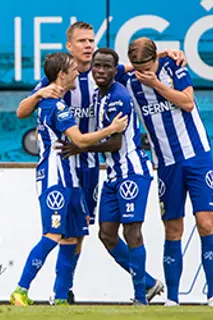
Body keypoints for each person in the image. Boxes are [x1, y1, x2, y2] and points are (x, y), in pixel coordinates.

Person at [17, 21, 178, 303]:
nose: (89, 45)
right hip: (66, 160)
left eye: (91, 40)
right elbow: (21, 111)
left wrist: (166, 55)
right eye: (82, 41)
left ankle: (69, 291)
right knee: (67, 231)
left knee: (80, 233)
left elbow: (135, 67)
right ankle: (62, 292)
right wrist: (39, 95)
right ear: (69, 46)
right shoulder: (57, 79)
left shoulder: (102, 73)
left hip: (90, 162)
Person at [10, 52, 128, 306]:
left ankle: (61, 296)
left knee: (73, 236)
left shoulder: (54, 99)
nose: (78, 72)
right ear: (62, 75)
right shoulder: (56, 105)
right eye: (73, 69)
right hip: (55, 178)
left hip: (71, 178)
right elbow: (81, 140)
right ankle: (20, 289)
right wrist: (112, 129)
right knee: (53, 234)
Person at [122, 37, 213, 307]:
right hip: (166, 162)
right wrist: (136, 72)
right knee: (173, 229)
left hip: (197, 155)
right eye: (138, 68)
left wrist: (157, 83)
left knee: (205, 223)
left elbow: (188, 102)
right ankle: (173, 299)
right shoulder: (131, 83)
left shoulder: (172, 67)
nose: (144, 73)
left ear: (156, 59)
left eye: (147, 67)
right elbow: (106, 70)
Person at [58, 48, 154, 305]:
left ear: (114, 70)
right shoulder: (101, 94)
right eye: (97, 66)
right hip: (112, 175)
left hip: (132, 172)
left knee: (132, 231)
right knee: (107, 235)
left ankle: (140, 296)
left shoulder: (118, 96)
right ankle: (150, 283)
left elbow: (115, 143)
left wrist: (81, 146)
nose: (100, 71)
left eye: (106, 67)